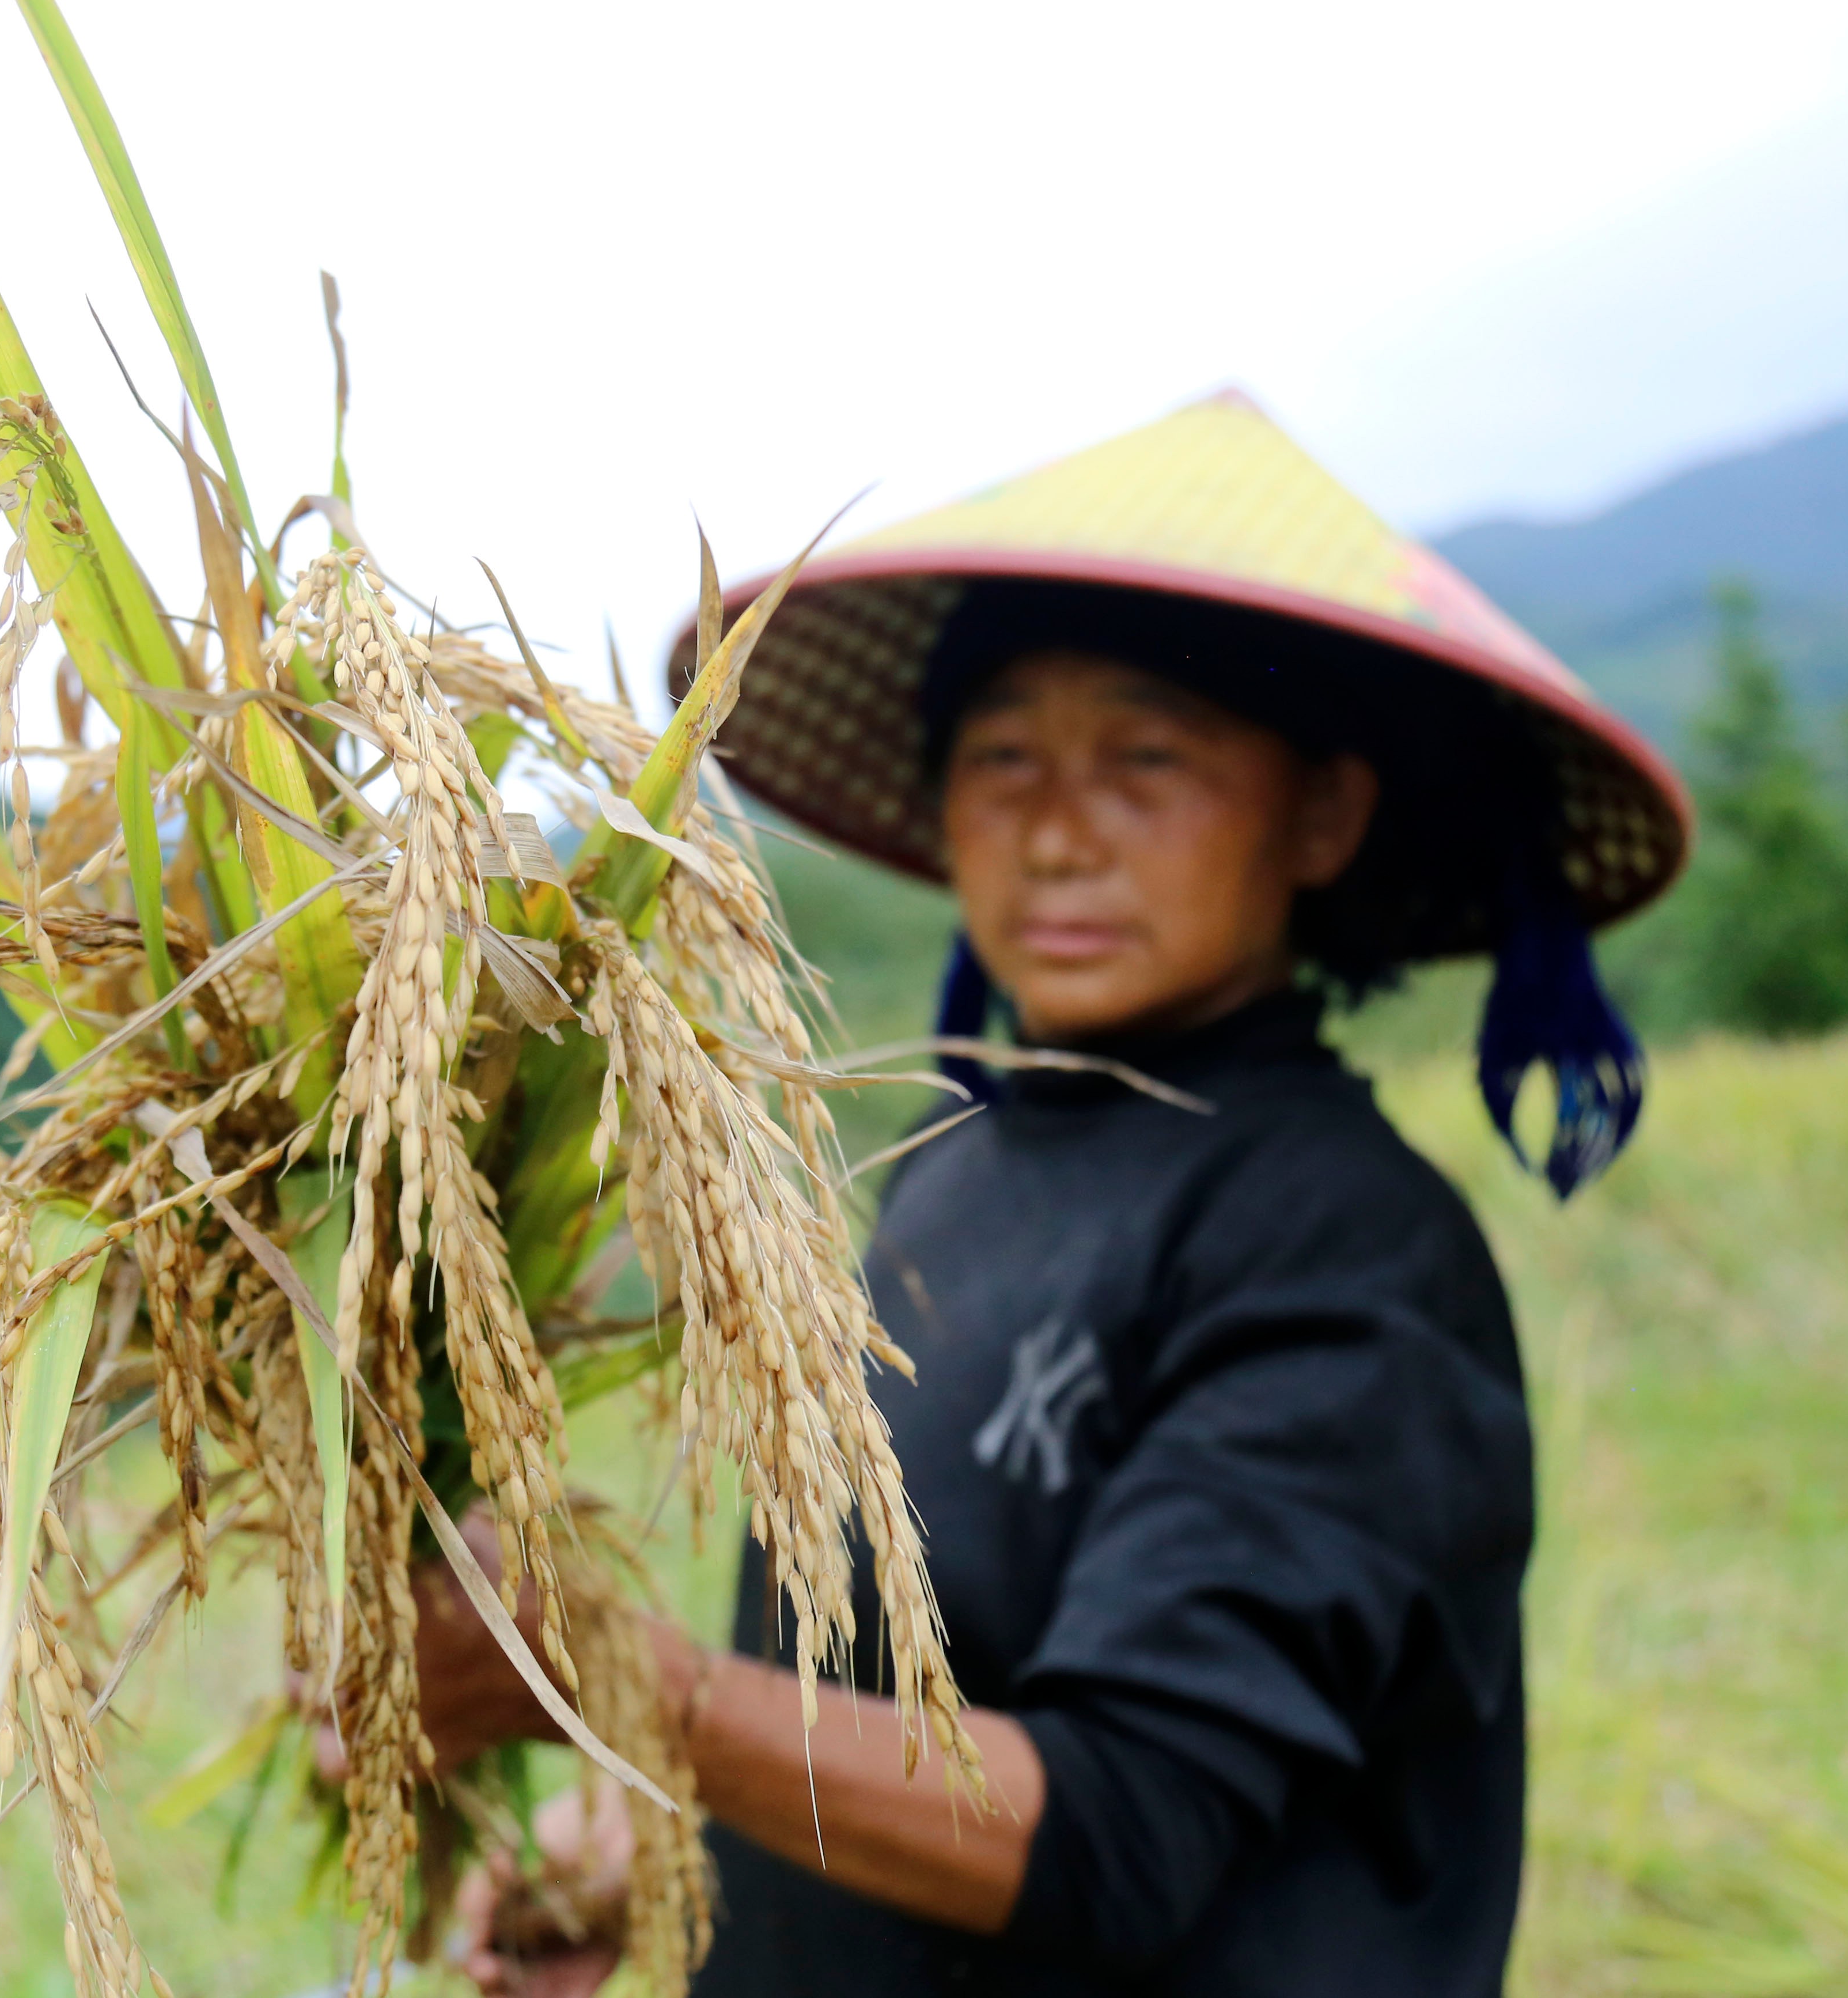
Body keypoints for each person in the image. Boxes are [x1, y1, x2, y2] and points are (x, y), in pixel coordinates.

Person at [406, 392, 1691, 1996]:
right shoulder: (952, 1158)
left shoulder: (1344, 1245)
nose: (1059, 831)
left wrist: (620, 1678)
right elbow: (880, 1678)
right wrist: (663, 1868)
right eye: (1003, 757)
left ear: (1318, 813)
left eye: (1146, 757)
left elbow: (1113, 1828)